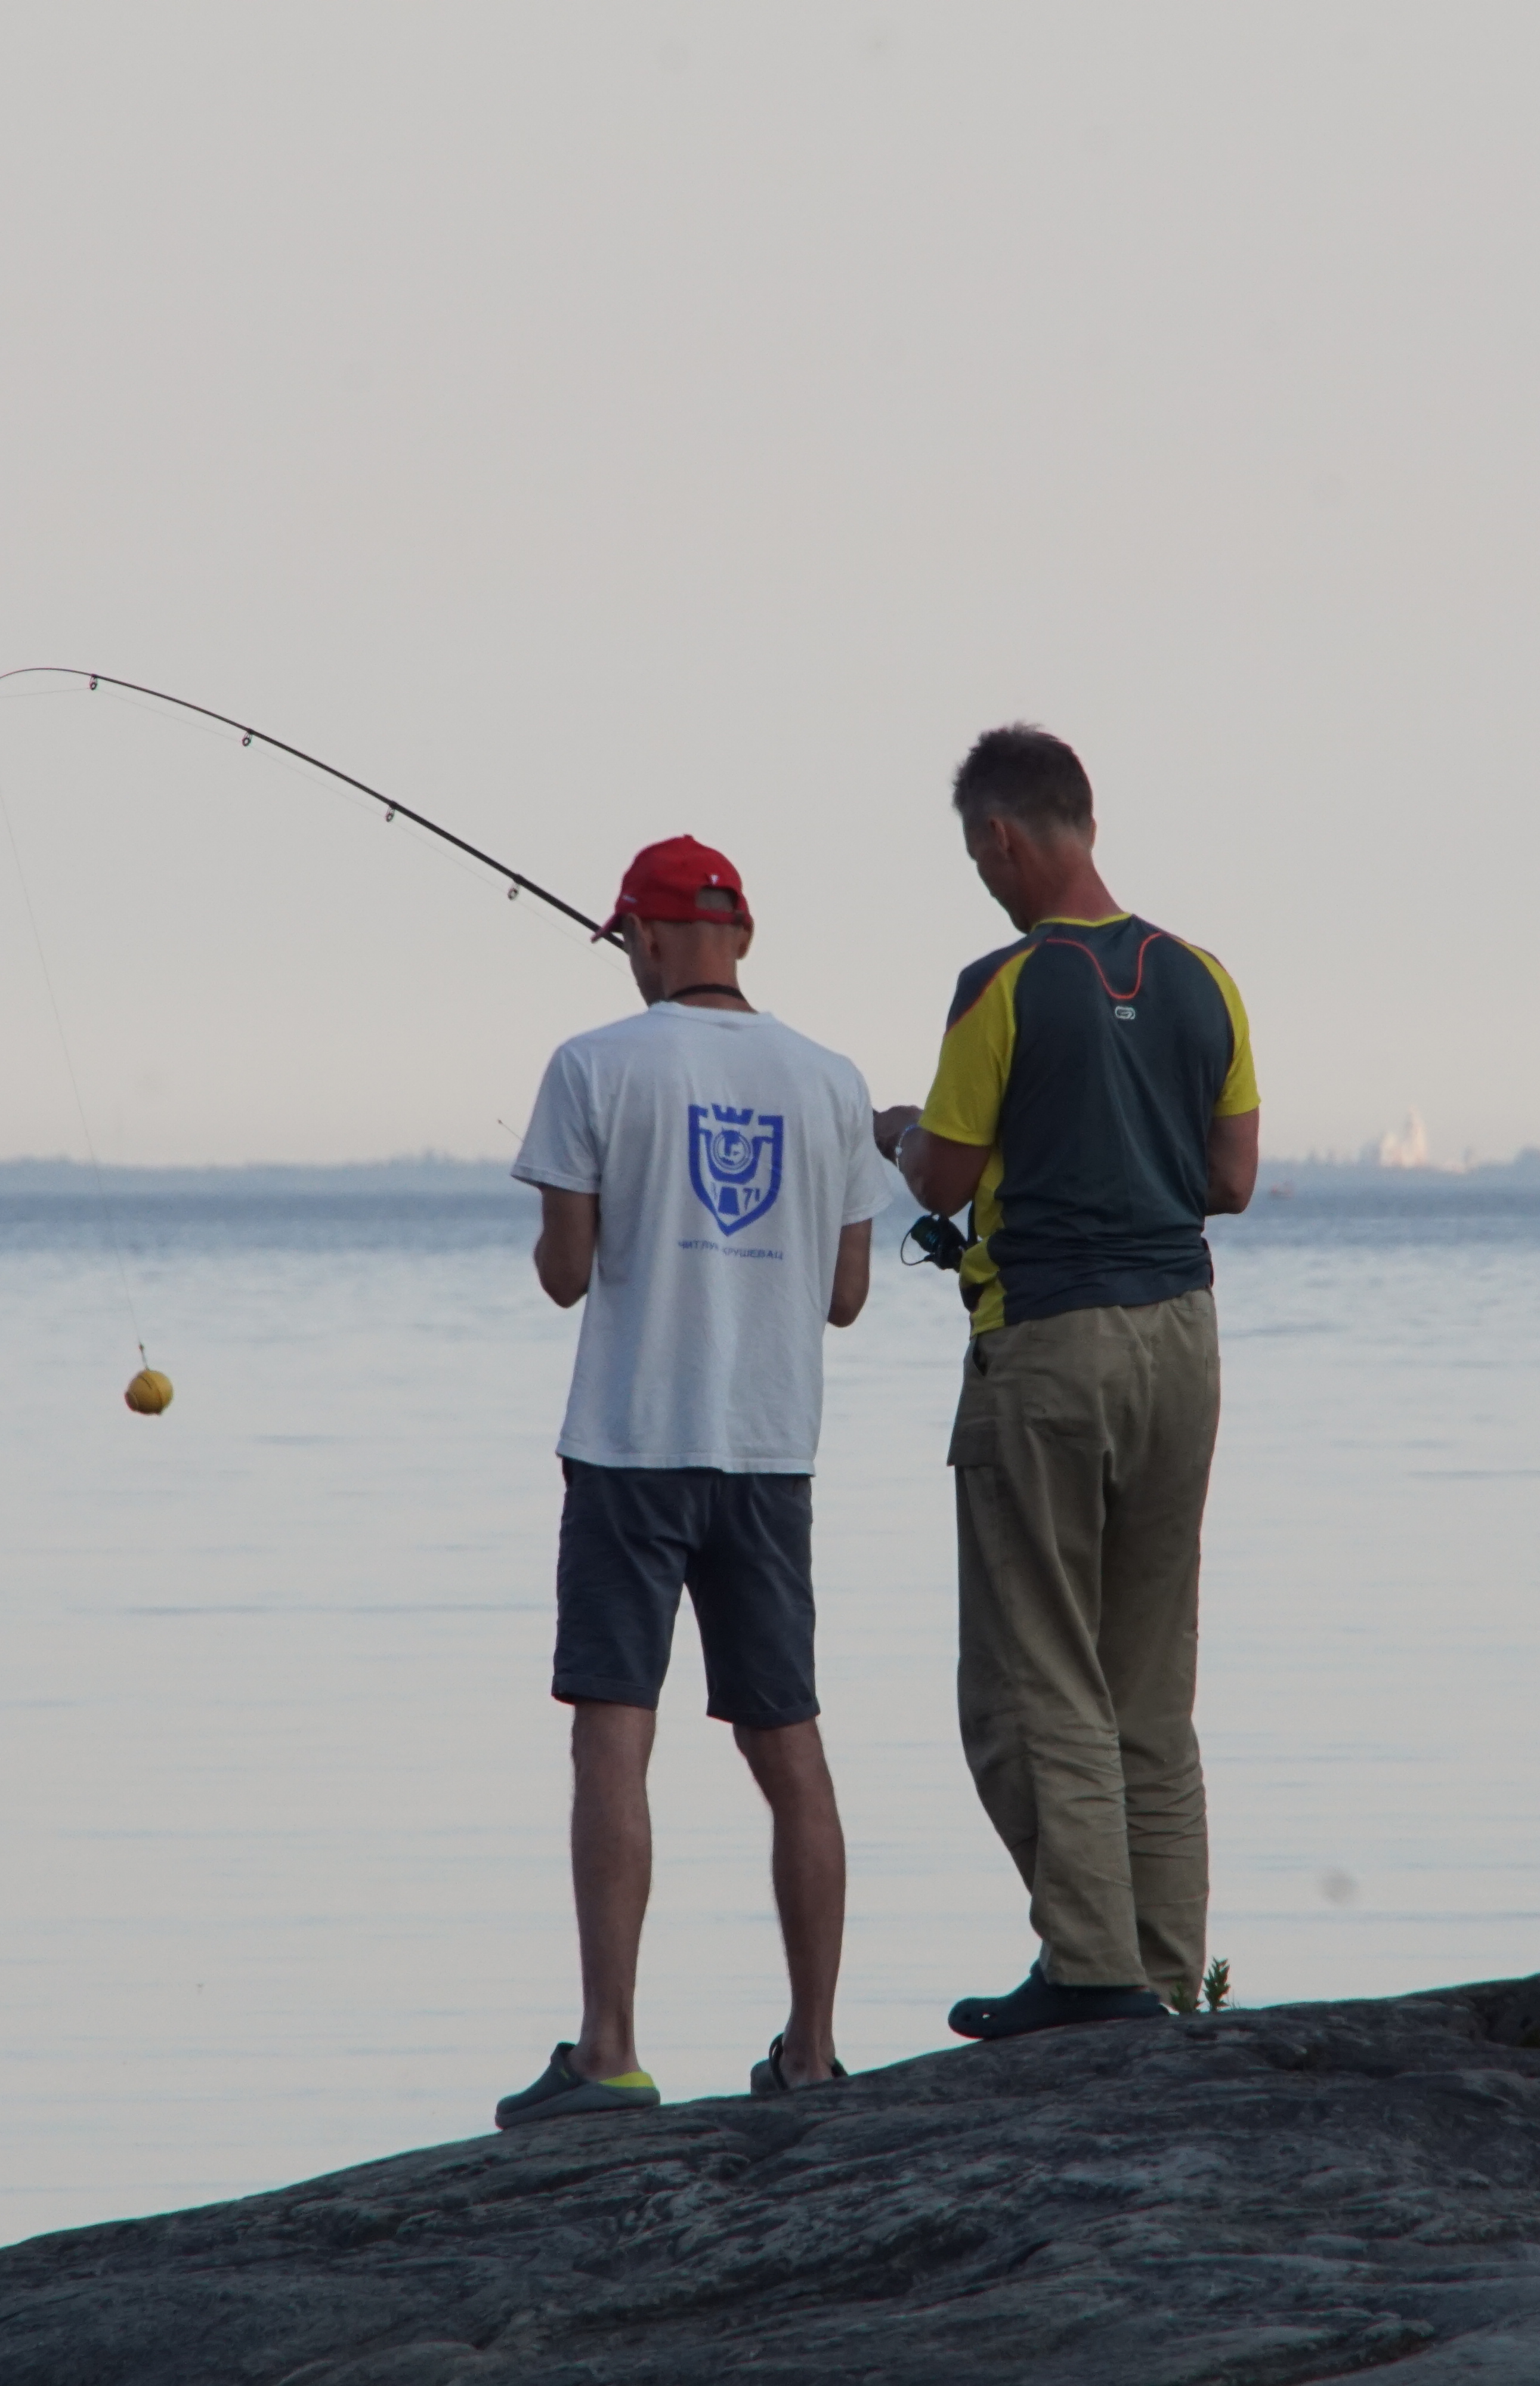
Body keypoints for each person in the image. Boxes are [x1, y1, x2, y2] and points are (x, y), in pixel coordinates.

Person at [495, 834, 895, 2128]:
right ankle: (814, 2053)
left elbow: (566, 1275)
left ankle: (611, 2053)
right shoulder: (834, 1081)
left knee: (615, 1732)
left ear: (649, 936)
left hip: (630, 1447)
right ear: (744, 936)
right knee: (790, 1743)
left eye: (628, 938)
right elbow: (845, 1296)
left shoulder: (592, 1065)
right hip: (771, 1454)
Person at [872, 727, 1260, 2039]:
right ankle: (1165, 1972)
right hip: (1184, 1342)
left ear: (1003, 837)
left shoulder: (1002, 986)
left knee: (1032, 1676)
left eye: (978, 856)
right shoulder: (1204, 978)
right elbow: (1232, 1180)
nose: (984, 878)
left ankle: (1091, 1969)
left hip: (1049, 1346)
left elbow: (939, 1178)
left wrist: (898, 1131)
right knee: (1151, 1683)